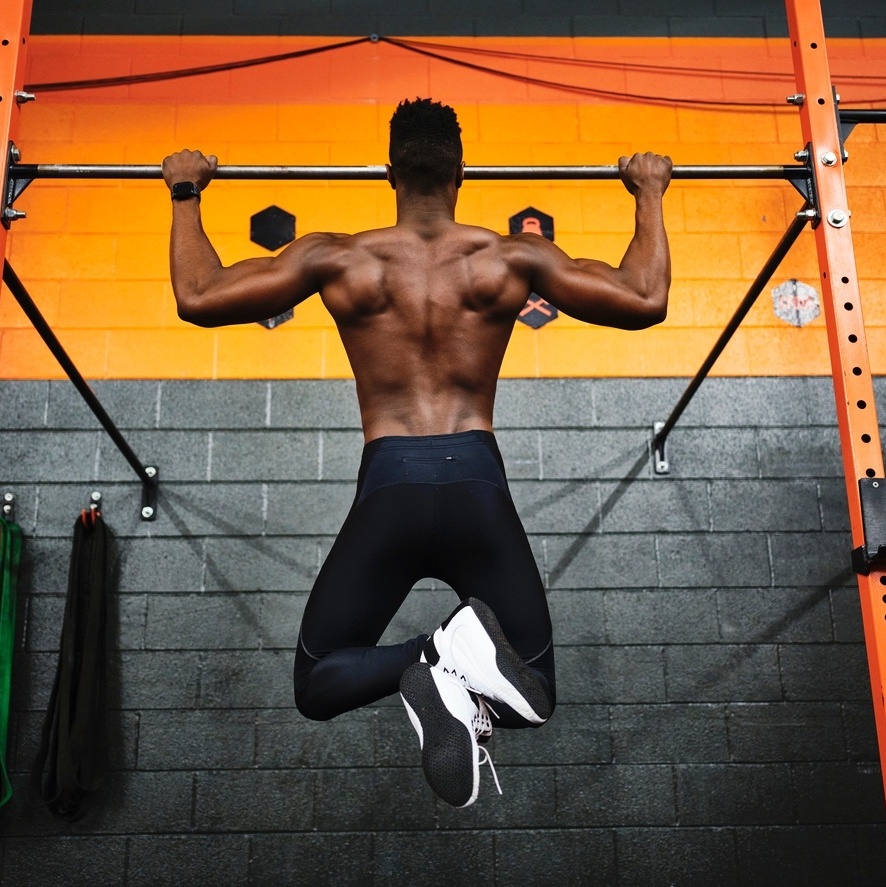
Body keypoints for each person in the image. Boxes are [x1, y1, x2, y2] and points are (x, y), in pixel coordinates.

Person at [162, 97, 672, 808]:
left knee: (317, 684)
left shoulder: (340, 257)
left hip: (390, 487)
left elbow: (198, 294)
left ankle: (431, 655)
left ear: (388, 172)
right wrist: (648, 190)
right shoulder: (510, 257)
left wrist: (186, 189)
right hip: (477, 486)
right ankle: (453, 654)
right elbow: (646, 297)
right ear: (463, 171)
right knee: (538, 689)